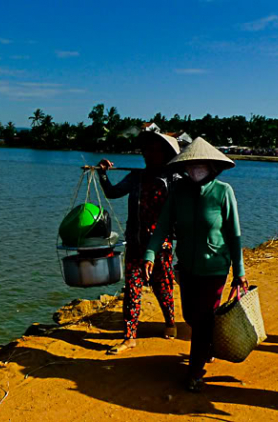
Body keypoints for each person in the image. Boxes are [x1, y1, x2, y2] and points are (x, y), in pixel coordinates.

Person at [143, 137, 248, 392]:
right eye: (190, 166)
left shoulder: (224, 192)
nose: (194, 170)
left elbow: (234, 235)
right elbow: (162, 226)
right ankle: (208, 346)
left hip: (215, 269)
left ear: (212, 166)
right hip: (187, 268)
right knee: (190, 315)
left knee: (202, 319)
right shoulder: (179, 193)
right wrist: (149, 254)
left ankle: (194, 371)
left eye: (200, 165)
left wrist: (239, 272)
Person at [97, 131, 181, 355]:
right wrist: (102, 174)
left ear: (165, 154)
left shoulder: (173, 180)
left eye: (154, 150)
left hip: (161, 246)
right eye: (146, 150)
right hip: (135, 242)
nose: (148, 154)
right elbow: (113, 193)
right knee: (132, 290)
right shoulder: (136, 177)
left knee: (163, 288)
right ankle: (129, 336)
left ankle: (170, 322)